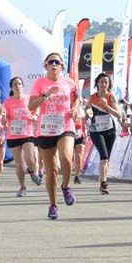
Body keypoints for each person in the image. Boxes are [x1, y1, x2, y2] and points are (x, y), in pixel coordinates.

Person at [30, 51, 81, 219]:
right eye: (50, 62)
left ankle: (66, 186)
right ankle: (53, 205)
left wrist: (74, 108)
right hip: (46, 128)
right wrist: (46, 95)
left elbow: (76, 98)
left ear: (61, 66)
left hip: (65, 124)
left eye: (57, 62)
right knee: (52, 170)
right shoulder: (40, 83)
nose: (54, 65)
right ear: (45, 66)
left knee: (66, 158)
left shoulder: (69, 82)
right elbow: (31, 106)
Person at [88, 72, 124, 195]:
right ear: (97, 83)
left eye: (106, 82)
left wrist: (107, 107)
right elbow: (87, 110)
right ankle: (104, 183)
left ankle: (103, 179)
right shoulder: (92, 97)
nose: (103, 84)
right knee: (103, 156)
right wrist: (87, 114)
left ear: (108, 85)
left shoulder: (110, 96)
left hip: (109, 129)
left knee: (107, 158)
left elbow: (118, 115)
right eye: (101, 81)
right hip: (96, 130)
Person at [4, 77, 40, 197]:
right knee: (19, 163)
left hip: (27, 133)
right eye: (15, 84)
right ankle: (22, 186)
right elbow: (4, 119)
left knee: (30, 158)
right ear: (11, 87)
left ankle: (31, 170)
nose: (18, 86)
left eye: (19, 84)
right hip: (13, 134)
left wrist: (34, 116)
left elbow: (36, 110)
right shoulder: (7, 102)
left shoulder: (29, 98)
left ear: (23, 86)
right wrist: (4, 118)